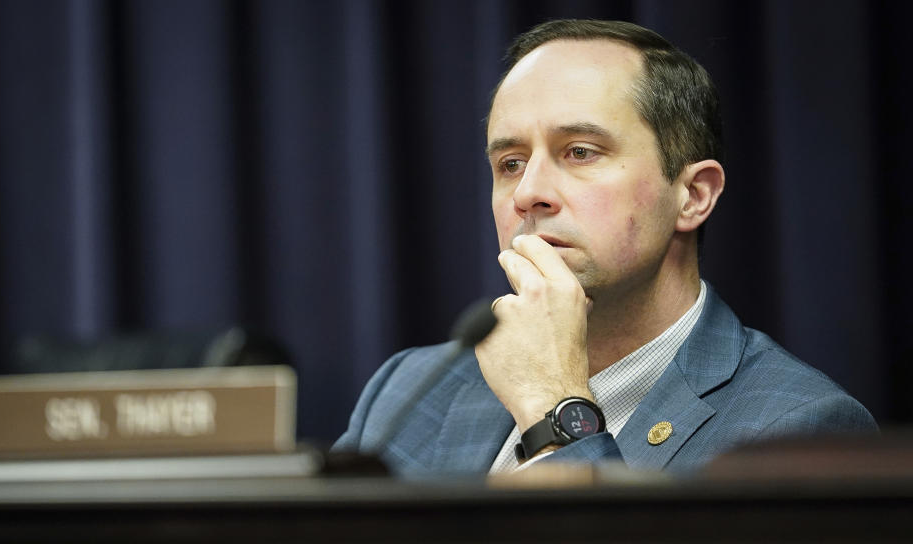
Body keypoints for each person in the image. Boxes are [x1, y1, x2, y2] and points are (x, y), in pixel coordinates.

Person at [333, 19, 877, 476]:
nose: (528, 194)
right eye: (510, 163)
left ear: (692, 195)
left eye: (580, 152)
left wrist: (552, 403)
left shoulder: (801, 428)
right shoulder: (407, 390)